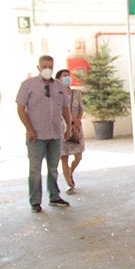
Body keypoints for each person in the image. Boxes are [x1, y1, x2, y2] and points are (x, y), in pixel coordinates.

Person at [16, 56, 72, 212]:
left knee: (53, 168)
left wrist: (68, 126)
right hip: (36, 136)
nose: (48, 69)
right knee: (35, 170)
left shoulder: (59, 87)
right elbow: (20, 109)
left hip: (55, 134)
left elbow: (65, 108)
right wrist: (29, 129)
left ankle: (54, 196)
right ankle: (35, 201)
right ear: (38, 67)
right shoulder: (28, 85)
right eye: (45, 66)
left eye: (50, 66)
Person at [56, 69, 85, 194]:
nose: (67, 77)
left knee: (78, 156)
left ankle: (70, 172)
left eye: (68, 75)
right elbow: (59, 111)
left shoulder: (76, 93)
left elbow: (80, 108)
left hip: (76, 129)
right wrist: (71, 120)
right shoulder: (56, 94)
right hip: (62, 128)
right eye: (64, 76)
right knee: (64, 158)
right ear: (58, 79)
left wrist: (77, 121)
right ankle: (69, 184)